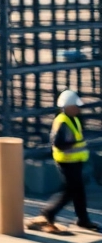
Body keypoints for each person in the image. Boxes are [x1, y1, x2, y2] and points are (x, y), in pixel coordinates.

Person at [30, 90, 99, 233]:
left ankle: (83, 220)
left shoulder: (73, 119)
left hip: (76, 161)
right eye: (75, 106)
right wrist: (75, 144)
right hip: (66, 162)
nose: (78, 109)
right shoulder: (62, 121)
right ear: (67, 106)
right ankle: (49, 212)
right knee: (70, 191)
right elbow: (57, 143)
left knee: (78, 190)